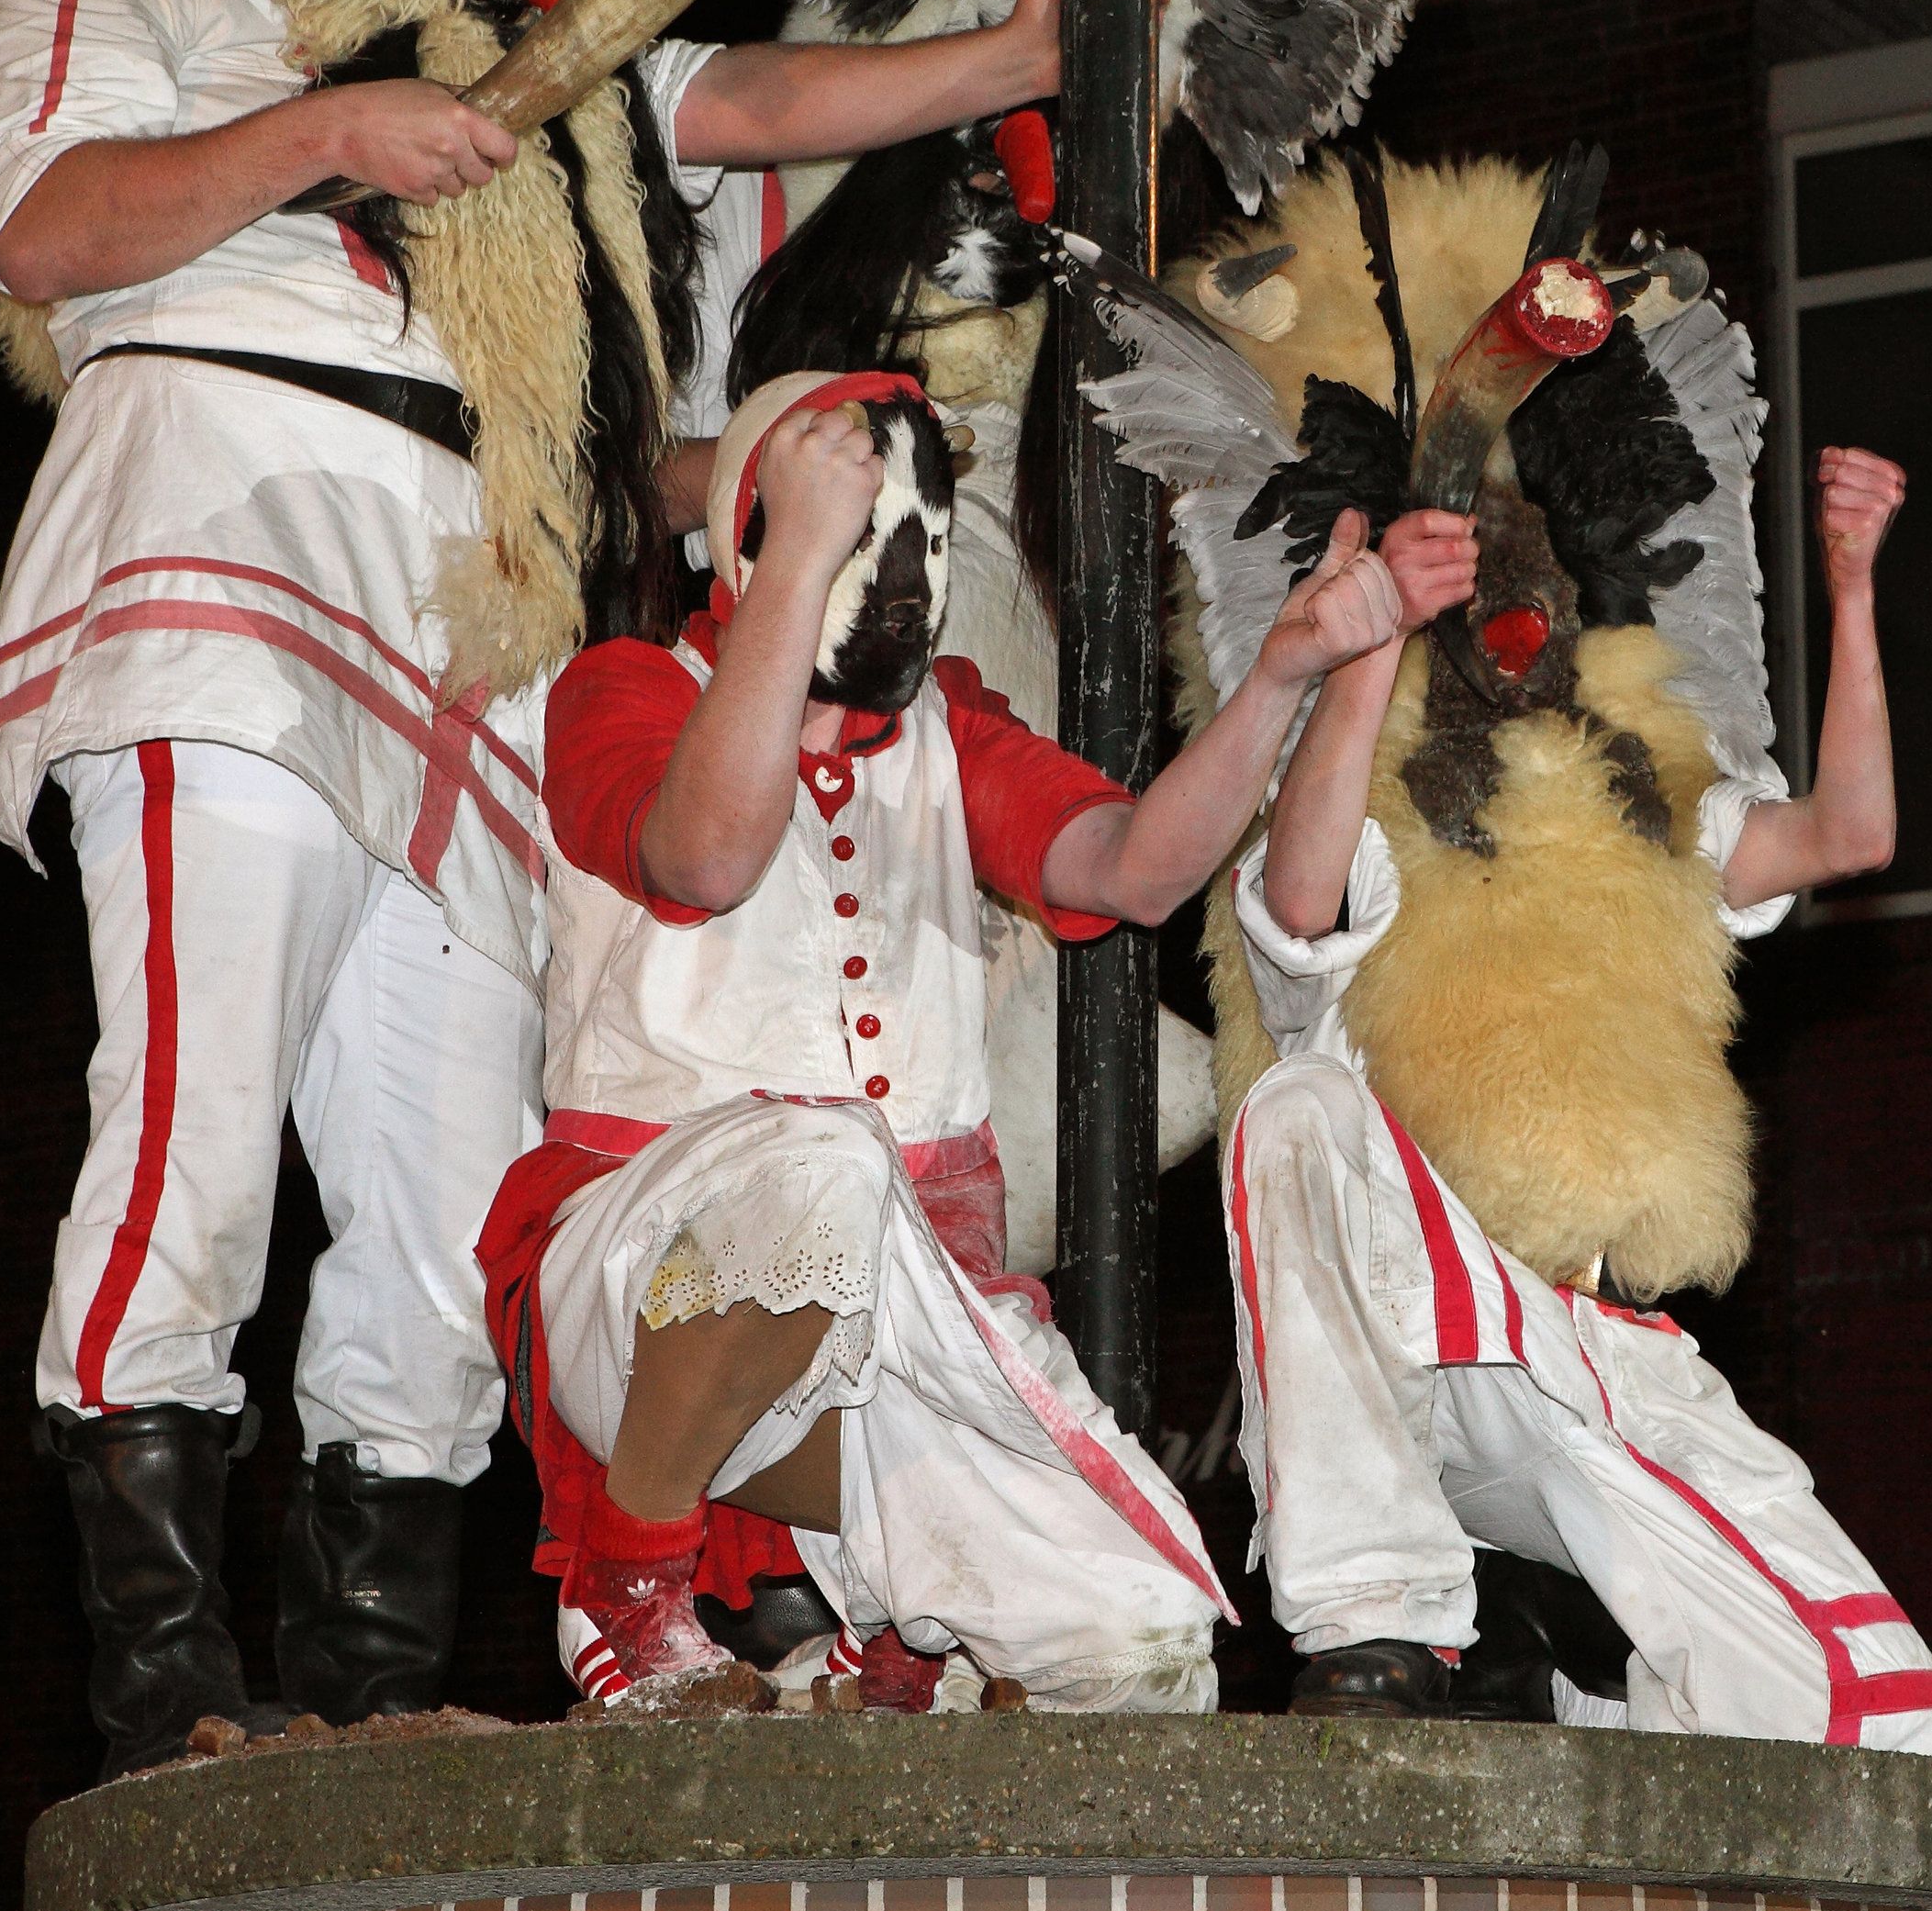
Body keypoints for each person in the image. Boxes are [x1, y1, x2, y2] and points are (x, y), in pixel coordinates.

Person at [0, 0, 1081, 1777]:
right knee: (195, 1131)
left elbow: (719, 96)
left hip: (489, 621)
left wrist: (1011, 62)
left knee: (444, 1214)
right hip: (230, 532)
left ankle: (372, 1701)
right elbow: (38, 228)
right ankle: (169, 1685)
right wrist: (333, 132)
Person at [480, 375, 1426, 1712]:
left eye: (920, 540)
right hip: (638, 1291)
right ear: (752, 533)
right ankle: (627, 1580)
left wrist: (1282, 676)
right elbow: (704, 858)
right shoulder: (624, 688)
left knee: (1144, 1644)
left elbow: (1137, 871)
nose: (903, 583)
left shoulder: (948, 729)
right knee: (823, 1161)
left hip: (904, 1321)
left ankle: (886, 1637)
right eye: (859, 534)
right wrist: (797, 563)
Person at [1223, 450, 1932, 1745]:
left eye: (1534, 588)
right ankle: (1374, 1616)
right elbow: (1297, 900)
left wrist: (1849, 589)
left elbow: (1851, 836)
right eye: (1468, 599)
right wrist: (1372, 645)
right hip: (1412, 1324)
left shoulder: (1651, 817)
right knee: (1300, 1106)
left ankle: (1560, 1620)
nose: (1513, 624)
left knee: (1879, 1716)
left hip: (1595, 1346)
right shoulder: (1369, 810)